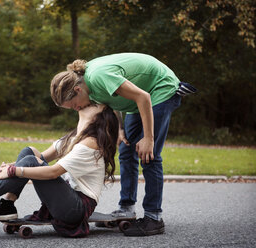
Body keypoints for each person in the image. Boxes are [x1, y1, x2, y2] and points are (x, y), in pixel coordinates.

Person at [50, 52, 195, 237]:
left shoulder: (98, 76)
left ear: (78, 90)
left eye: (74, 106)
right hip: (139, 99)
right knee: (126, 149)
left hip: (159, 90)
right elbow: (113, 98)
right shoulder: (88, 87)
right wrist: (119, 128)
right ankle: (126, 208)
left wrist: (148, 138)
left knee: (148, 155)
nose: (77, 109)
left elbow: (143, 97)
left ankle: (154, 217)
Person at [0, 104, 119, 238]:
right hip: (65, 197)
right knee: (29, 152)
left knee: (28, 162)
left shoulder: (90, 144)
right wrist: (10, 167)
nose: (87, 105)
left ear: (96, 121)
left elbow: (52, 172)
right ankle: (7, 204)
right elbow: (40, 157)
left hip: (76, 208)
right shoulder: (75, 138)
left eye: (94, 106)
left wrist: (14, 171)